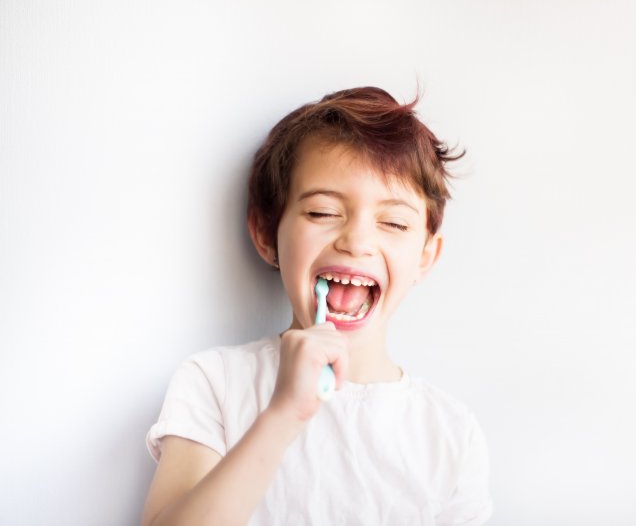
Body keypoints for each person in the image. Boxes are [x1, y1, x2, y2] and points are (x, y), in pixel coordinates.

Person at [141, 86, 493, 526]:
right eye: (323, 213)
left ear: (424, 257)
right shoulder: (215, 382)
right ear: (267, 235)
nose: (357, 242)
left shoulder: (451, 435)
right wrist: (284, 414)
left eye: (394, 222)